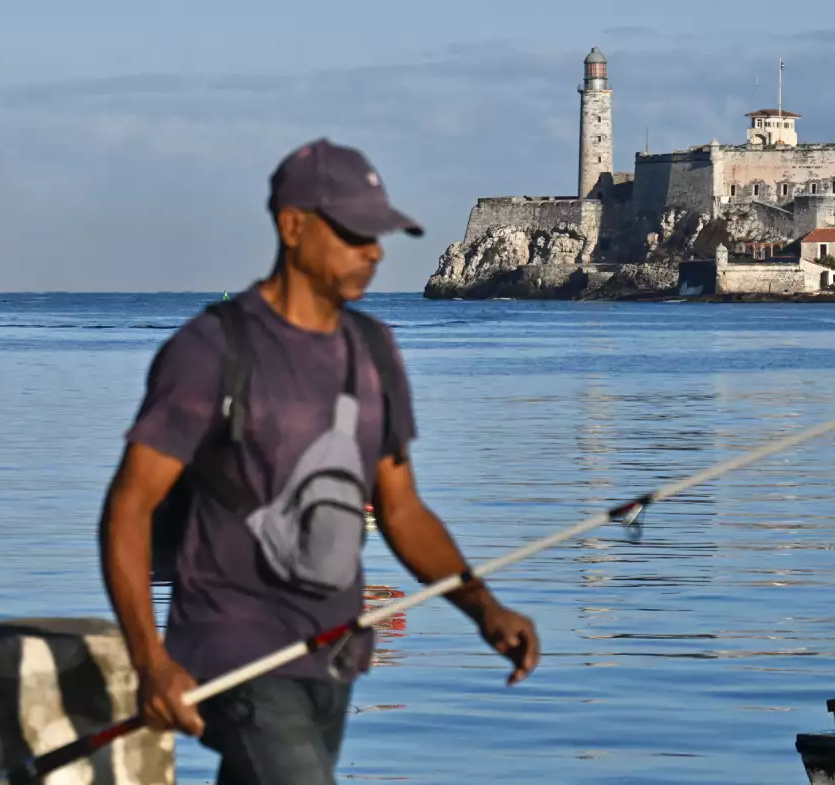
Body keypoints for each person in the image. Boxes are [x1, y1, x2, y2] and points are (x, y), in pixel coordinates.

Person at [98, 138, 540, 785]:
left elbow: (403, 510)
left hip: (330, 658)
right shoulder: (211, 349)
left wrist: (484, 606)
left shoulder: (373, 350)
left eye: (379, 235)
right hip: (235, 655)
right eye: (356, 232)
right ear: (293, 226)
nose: (375, 250)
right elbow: (130, 506)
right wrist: (149, 660)